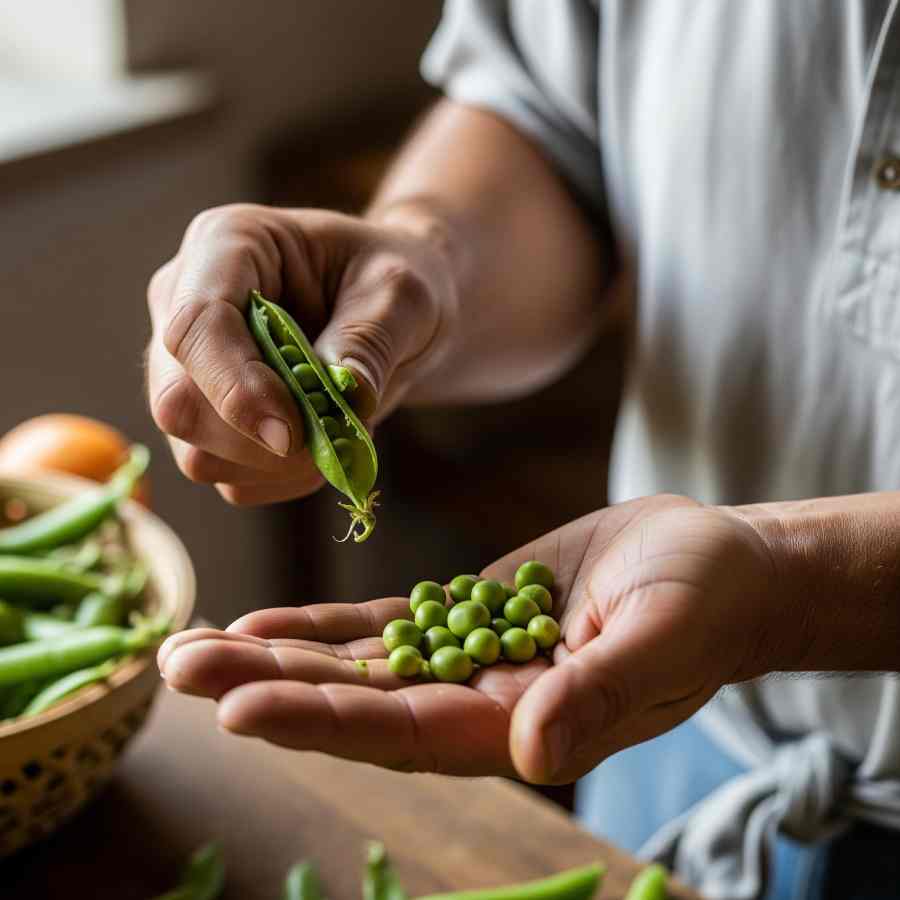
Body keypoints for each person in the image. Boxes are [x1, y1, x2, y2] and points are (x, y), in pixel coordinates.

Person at [147, 3, 900, 898]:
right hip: (670, 734)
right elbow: (549, 120)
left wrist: (796, 585)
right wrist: (423, 255)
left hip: (653, 663)